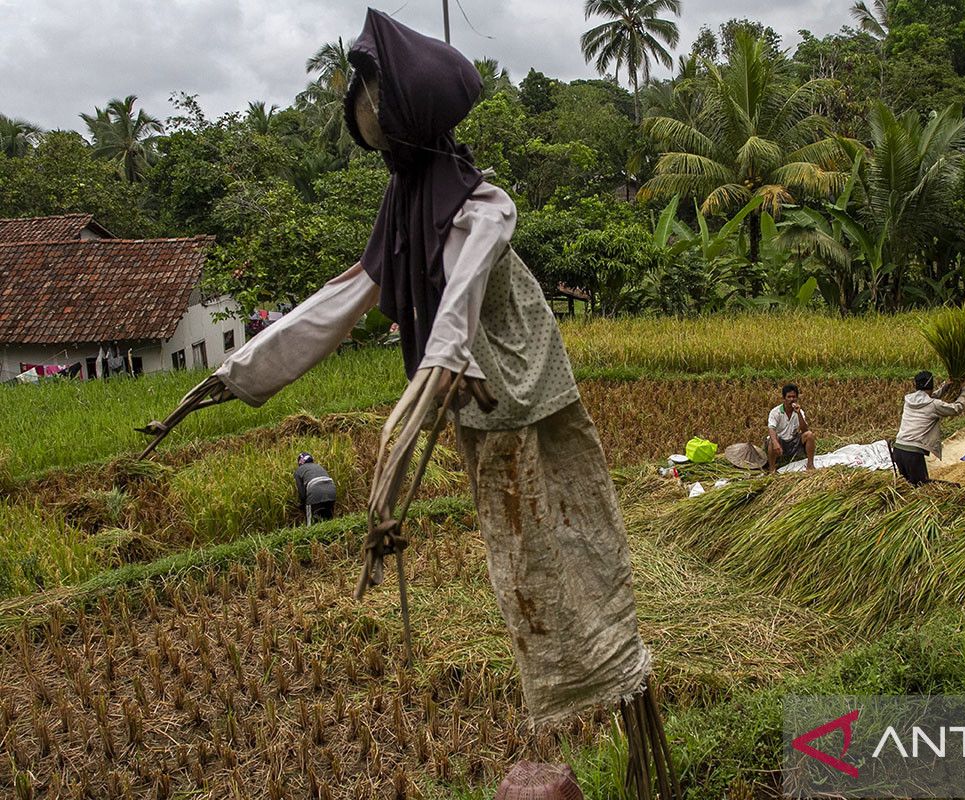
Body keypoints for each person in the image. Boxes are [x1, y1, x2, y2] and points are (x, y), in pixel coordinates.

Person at [137, 11, 668, 774]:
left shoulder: (483, 203)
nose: (369, 126)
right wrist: (231, 377)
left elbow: (462, 296)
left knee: (580, 543)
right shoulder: (401, 209)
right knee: (526, 575)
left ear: (408, 118)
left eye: (377, 110)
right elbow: (338, 302)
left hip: (524, 393)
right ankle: (606, 699)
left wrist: (435, 370)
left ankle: (625, 680)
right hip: (478, 410)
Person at [892, 370, 965, 485]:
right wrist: (964, 391)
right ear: (931, 385)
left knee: (908, 485)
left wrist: (945, 387)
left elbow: (928, 397)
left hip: (898, 449)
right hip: (913, 453)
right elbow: (957, 408)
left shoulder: (909, 399)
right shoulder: (934, 405)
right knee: (922, 486)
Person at [766, 383, 815, 472]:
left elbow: (804, 430)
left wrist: (799, 413)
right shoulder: (775, 412)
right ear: (784, 398)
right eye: (789, 397)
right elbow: (771, 428)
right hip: (780, 441)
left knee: (809, 435)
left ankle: (810, 465)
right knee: (772, 440)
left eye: (794, 397)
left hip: (793, 440)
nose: (792, 399)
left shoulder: (799, 412)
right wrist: (775, 443)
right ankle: (772, 469)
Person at [294, 452, 336, 524]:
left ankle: (308, 532)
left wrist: (301, 504)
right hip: (331, 488)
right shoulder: (318, 466)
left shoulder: (299, 471)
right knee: (329, 520)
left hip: (315, 490)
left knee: (310, 523)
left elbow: (302, 493)